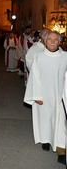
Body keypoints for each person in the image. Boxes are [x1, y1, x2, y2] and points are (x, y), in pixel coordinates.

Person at [24, 30, 67, 165]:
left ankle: (61, 151)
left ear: (60, 42)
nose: (53, 42)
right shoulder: (39, 57)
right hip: (43, 96)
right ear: (45, 41)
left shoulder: (65, 57)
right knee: (46, 121)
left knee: (60, 124)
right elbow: (34, 77)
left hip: (59, 96)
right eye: (50, 39)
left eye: (55, 39)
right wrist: (36, 95)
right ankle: (46, 140)